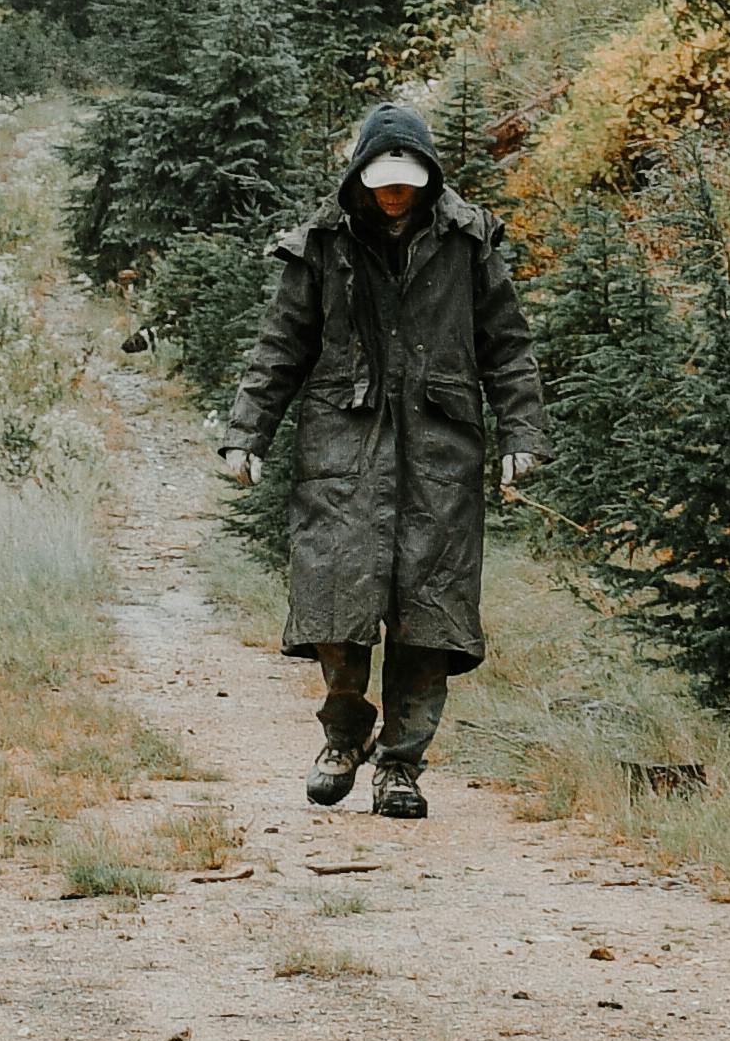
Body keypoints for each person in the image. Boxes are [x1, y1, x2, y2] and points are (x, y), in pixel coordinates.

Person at [217, 90, 544, 821]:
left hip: (441, 452)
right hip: (342, 449)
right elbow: (281, 347)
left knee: (430, 617)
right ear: (363, 176)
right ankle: (342, 737)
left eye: (407, 181)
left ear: (427, 176)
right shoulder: (323, 246)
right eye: (383, 181)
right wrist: (246, 433)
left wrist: (524, 435)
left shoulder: (469, 243)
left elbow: (509, 348)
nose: (395, 195)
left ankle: (401, 766)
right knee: (337, 603)